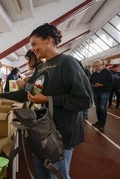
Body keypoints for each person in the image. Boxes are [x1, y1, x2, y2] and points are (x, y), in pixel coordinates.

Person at [27, 23, 92, 179]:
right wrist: (0, 94)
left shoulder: (67, 62)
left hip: (61, 136)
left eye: (35, 44)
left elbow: (84, 101)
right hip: (41, 133)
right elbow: (30, 91)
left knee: (58, 176)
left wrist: (48, 99)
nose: (33, 49)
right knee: (41, 175)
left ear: (48, 40)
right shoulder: (41, 67)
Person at [90, 60, 113, 131]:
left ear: (102, 65)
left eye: (97, 66)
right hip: (96, 92)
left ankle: (102, 125)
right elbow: (91, 82)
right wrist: (93, 84)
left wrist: (101, 84)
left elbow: (110, 83)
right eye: (95, 66)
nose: (96, 67)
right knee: (97, 108)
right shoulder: (94, 74)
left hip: (104, 92)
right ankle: (99, 122)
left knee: (102, 108)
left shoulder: (107, 73)